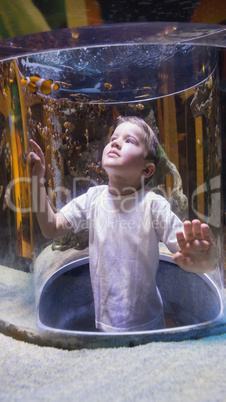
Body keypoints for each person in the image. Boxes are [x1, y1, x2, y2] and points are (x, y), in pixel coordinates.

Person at [28, 116, 217, 332]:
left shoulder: (153, 204)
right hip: (104, 326)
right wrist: (37, 182)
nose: (116, 142)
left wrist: (206, 262)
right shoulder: (93, 199)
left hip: (150, 326)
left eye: (130, 141)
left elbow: (188, 254)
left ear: (147, 170)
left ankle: (167, 321)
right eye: (114, 138)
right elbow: (51, 228)